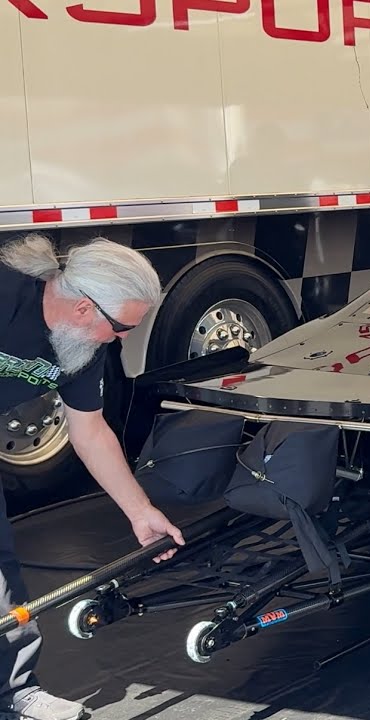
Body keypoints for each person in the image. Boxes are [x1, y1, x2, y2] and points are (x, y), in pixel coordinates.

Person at [0, 233, 185, 720]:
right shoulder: (4, 296)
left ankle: (13, 693)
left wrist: (140, 512)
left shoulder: (79, 347)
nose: (124, 339)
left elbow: (90, 431)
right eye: (123, 327)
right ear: (84, 308)